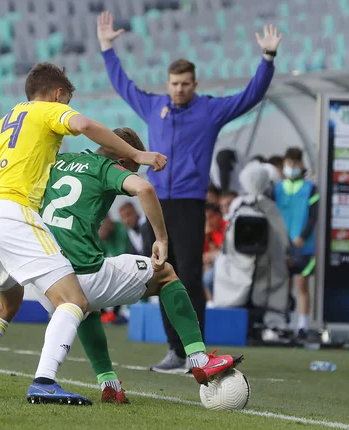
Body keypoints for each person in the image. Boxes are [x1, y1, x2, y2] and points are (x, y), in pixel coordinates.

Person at [0, 63, 166, 406]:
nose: (67, 105)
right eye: (66, 99)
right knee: (74, 301)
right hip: (15, 215)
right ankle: (44, 381)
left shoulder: (3, 126)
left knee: (6, 303)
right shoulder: (47, 111)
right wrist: (135, 153)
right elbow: (84, 125)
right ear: (58, 95)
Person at [0, 127, 242, 403]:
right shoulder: (106, 168)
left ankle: (109, 383)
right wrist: (161, 239)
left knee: (85, 307)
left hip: (43, 277)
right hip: (82, 273)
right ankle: (198, 358)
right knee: (164, 273)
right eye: (131, 167)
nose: (130, 174)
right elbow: (144, 190)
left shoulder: (59, 161)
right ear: (121, 159)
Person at [97, 11, 281, 372]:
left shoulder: (210, 110)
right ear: (168, 84)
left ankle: (196, 352)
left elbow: (251, 95)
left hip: (188, 204)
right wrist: (107, 48)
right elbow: (124, 85)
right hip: (155, 202)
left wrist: (268, 59)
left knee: (191, 277)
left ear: (194, 84)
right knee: (159, 274)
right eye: (174, 83)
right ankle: (175, 352)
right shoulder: (153, 106)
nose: (179, 88)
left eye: (185, 83)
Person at [274, 147, 318, 338]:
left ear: (301, 164)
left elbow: (313, 216)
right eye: (288, 163)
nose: (291, 167)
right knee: (284, 286)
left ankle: (302, 325)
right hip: (281, 245)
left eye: (294, 163)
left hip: (304, 245)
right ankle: (286, 323)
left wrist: (302, 236)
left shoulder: (310, 188)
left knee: (302, 285)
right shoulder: (277, 188)